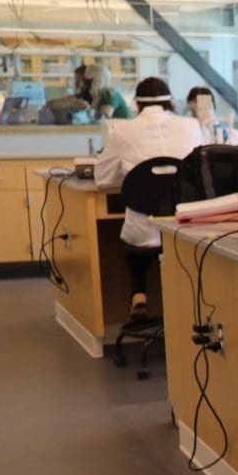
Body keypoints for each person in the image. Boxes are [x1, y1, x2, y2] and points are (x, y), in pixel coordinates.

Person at [95, 77, 203, 320]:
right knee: (178, 248)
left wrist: (135, 179)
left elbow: (102, 179)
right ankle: (186, 306)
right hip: (185, 226)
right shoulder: (192, 126)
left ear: (137, 104)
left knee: (136, 241)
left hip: (144, 226)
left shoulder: (122, 131)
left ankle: (139, 293)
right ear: (171, 102)